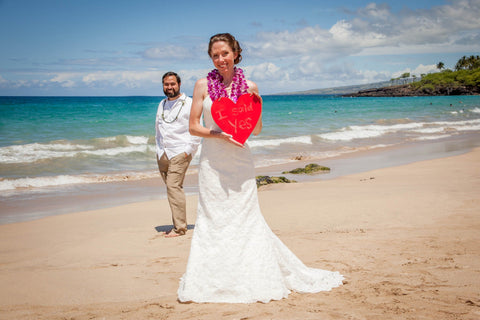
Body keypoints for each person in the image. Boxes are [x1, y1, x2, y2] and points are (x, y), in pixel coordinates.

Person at [177, 33, 343, 303]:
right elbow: (193, 126)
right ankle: (213, 276)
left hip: (240, 160)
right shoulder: (202, 85)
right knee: (213, 217)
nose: (220, 59)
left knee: (245, 217)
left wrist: (259, 103)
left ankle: (250, 274)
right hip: (212, 161)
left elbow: (257, 128)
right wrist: (217, 134)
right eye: (215, 55)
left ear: (235, 53)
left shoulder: (249, 86)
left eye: (225, 53)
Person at [155, 72, 201, 238]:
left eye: (172, 84)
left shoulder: (189, 103)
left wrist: (188, 150)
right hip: (163, 152)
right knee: (171, 189)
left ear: (179, 84)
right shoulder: (162, 103)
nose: (169, 87)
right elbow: (158, 128)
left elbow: (196, 127)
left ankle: (180, 228)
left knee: (173, 187)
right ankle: (177, 223)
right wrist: (159, 149)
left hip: (180, 151)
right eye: (166, 84)